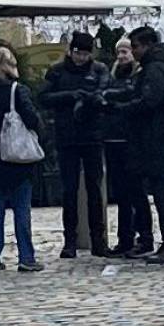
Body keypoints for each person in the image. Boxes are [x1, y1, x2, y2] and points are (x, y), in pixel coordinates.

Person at [107, 25, 164, 264]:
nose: (135, 52)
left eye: (136, 47)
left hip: (156, 141)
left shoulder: (155, 70)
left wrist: (121, 108)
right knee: (162, 193)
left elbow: (148, 102)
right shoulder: (163, 67)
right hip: (159, 141)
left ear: (146, 45)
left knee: (163, 195)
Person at [39, 31, 111, 258]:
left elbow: (104, 92)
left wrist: (91, 99)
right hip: (66, 136)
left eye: (86, 54)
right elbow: (43, 97)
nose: (81, 58)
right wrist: (70, 96)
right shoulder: (58, 72)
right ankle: (69, 240)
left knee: (94, 189)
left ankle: (98, 239)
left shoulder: (98, 70)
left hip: (92, 136)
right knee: (69, 190)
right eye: (78, 53)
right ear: (70, 51)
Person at [0, 47, 46, 273]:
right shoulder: (16, 90)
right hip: (16, 156)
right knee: (21, 207)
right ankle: (26, 256)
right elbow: (32, 118)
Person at [103, 38, 152, 258]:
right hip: (112, 139)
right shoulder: (112, 77)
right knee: (121, 194)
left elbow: (135, 101)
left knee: (137, 193)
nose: (122, 55)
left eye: (125, 51)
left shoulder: (138, 77)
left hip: (132, 141)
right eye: (119, 52)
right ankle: (125, 238)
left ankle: (144, 236)